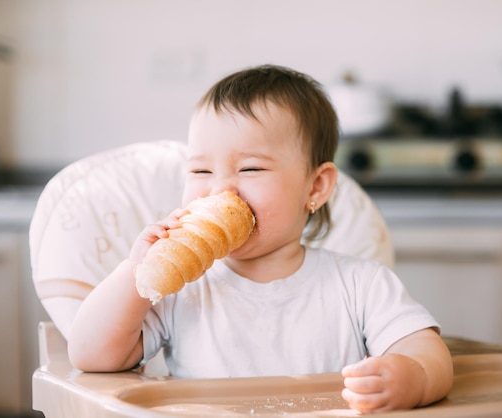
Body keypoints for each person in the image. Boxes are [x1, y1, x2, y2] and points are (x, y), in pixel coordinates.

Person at [67, 64, 454, 413]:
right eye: (200, 170)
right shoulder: (182, 290)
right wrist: (137, 273)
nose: (219, 189)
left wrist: (411, 379)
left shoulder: (360, 284)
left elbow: (429, 355)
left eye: (250, 168)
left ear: (315, 187)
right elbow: (91, 355)